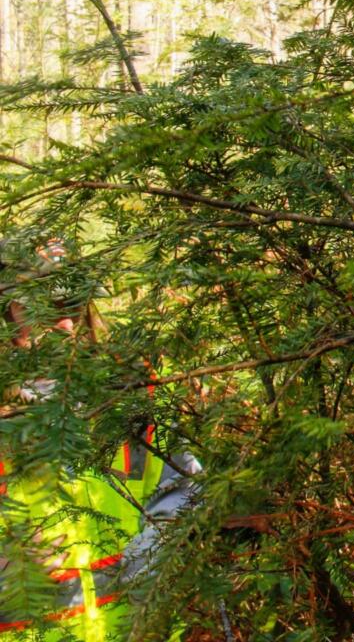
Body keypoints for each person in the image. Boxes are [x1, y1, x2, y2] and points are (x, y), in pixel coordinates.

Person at [0, 240, 200, 641]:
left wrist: (136, 568)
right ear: (11, 314)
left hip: (135, 629)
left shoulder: (133, 395)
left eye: (72, 308)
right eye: (46, 312)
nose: (66, 326)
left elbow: (187, 491)